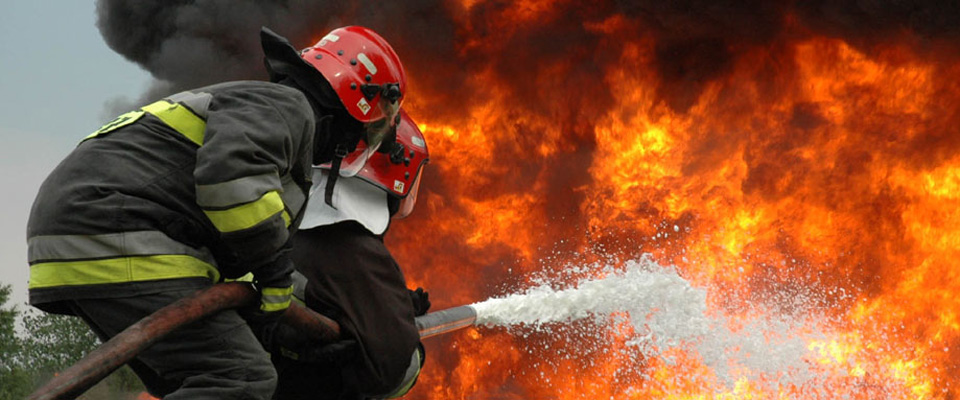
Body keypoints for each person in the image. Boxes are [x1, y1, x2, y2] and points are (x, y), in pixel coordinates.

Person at [25, 25, 406, 399]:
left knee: (192, 378)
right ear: (356, 100)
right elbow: (230, 186)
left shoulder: (269, 123)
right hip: (115, 226)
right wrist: (276, 275)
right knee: (239, 378)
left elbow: (243, 253)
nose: (359, 141)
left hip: (83, 232)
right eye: (371, 130)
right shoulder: (287, 107)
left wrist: (325, 311)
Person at [265, 109, 432, 400]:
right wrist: (409, 343)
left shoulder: (276, 225)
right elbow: (391, 369)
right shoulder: (355, 252)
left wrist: (384, 303)